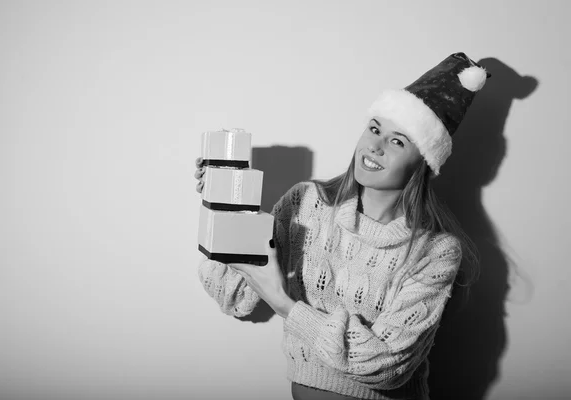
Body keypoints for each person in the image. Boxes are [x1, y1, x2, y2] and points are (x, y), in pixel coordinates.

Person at [194, 52, 489, 400]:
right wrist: (226, 203)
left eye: (397, 141)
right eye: (375, 128)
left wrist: (285, 304)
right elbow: (235, 296)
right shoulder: (305, 204)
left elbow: (387, 367)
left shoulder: (435, 251)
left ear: (423, 161)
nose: (375, 146)